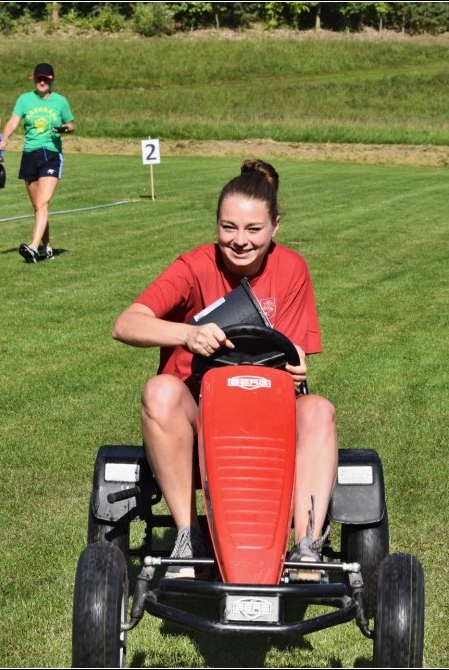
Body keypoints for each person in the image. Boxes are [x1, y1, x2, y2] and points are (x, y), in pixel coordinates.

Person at [112, 160, 339, 581]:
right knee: (160, 391)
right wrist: (187, 334)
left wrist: (295, 364)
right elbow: (125, 324)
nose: (240, 241)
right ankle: (188, 535)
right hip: (200, 419)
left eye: (254, 229)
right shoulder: (194, 266)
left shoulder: (292, 268)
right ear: (216, 224)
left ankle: (306, 544)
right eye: (228, 227)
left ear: (275, 226)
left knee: (319, 410)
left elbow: (293, 353)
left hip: (269, 416)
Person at [0, 63, 75, 263]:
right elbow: (13, 121)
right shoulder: (24, 99)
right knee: (37, 206)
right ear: (34, 79)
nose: (42, 82)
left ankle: (33, 247)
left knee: (42, 203)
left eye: (46, 79)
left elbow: (71, 124)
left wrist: (63, 129)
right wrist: (4, 139)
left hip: (51, 154)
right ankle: (46, 247)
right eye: (39, 78)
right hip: (29, 155)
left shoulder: (60, 101)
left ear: (52, 80)